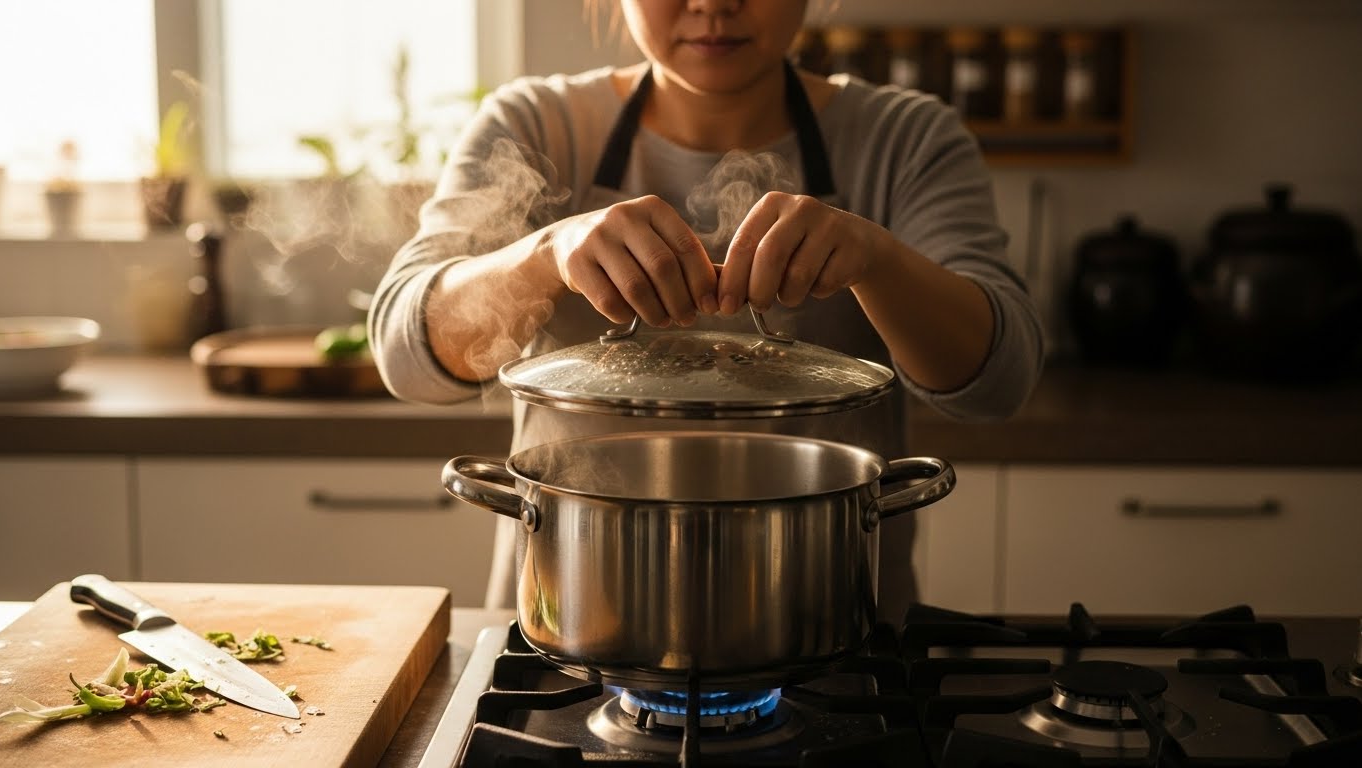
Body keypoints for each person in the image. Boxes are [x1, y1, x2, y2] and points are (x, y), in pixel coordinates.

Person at [369, 0, 1044, 623]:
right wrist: (545, 254)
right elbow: (406, 358)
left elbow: (997, 383)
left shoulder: (904, 136)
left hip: (834, 620)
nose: (713, 4)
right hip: (569, 612)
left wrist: (878, 259)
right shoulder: (534, 123)